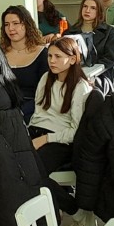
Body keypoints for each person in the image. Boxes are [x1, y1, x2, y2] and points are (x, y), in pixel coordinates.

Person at [30, 36, 91, 174]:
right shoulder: (46, 78)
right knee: (9, 160)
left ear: (72, 59)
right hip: (36, 130)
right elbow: (38, 113)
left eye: (58, 56)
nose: (52, 61)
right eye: (50, 56)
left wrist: (46, 139)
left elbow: (76, 131)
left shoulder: (80, 87)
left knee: (32, 169)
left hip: (59, 140)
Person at [0, 5, 47, 122]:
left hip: (32, 107)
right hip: (2, 104)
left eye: (15, 23)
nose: (11, 28)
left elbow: (45, 93)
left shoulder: (42, 53)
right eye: (6, 24)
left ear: (26, 25)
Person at [66, 0, 114, 80]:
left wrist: (90, 73)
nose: (87, 10)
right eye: (85, 6)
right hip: (74, 74)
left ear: (99, 11)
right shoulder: (69, 32)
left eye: (93, 8)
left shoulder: (110, 32)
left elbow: (109, 59)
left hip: (101, 74)